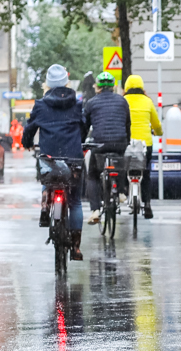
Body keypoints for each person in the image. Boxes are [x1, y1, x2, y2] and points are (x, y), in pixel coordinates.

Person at [22, 63, 86, 259]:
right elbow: (83, 127)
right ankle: (75, 248)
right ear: (66, 83)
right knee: (75, 202)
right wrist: (79, 142)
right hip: (73, 160)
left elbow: (30, 128)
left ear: (47, 85)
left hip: (50, 158)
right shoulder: (76, 104)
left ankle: (45, 207)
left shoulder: (41, 105)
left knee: (48, 176)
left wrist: (27, 143)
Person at [83, 70, 131, 223]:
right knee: (120, 164)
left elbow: (85, 125)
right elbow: (127, 123)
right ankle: (122, 191)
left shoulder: (92, 103)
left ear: (97, 87)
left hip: (100, 144)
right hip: (119, 143)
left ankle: (95, 209)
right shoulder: (122, 101)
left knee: (92, 175)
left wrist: (82, 141)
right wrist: (126, 141)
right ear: (113, 86)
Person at [122, 74, 163, 219]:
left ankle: (124, 192)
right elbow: (156, 124)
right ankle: (147, 205)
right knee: (145, 174)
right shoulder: (148, 102)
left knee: (123, 169)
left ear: (126, 87)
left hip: (127, 143)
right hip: (146, 145)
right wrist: (158, 132)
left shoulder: (123, 100)